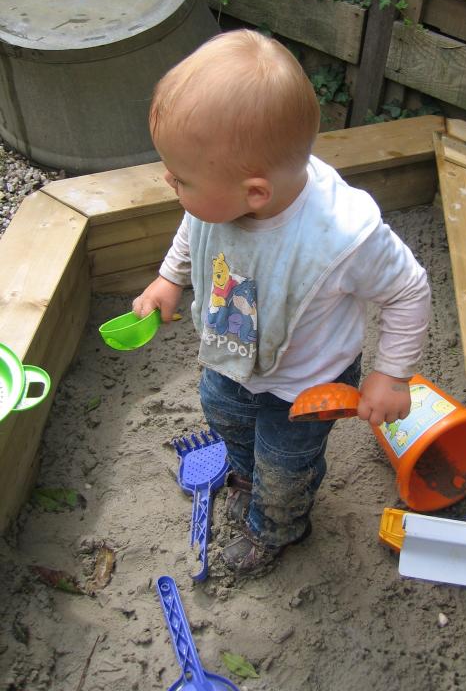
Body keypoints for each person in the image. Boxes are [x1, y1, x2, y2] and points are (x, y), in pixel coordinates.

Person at [133, 29, 431, 575]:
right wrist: (169, 278)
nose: (168, 182)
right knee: (224, 415)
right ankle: (246, 471)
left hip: (307, 384)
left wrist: (392, 375)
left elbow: (408, 289)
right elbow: (195, 227)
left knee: (287, 463)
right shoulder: (214, 201)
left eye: (180, 178)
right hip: (232, 352)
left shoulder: (342, 236)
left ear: (254, 193)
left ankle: (277, 527)